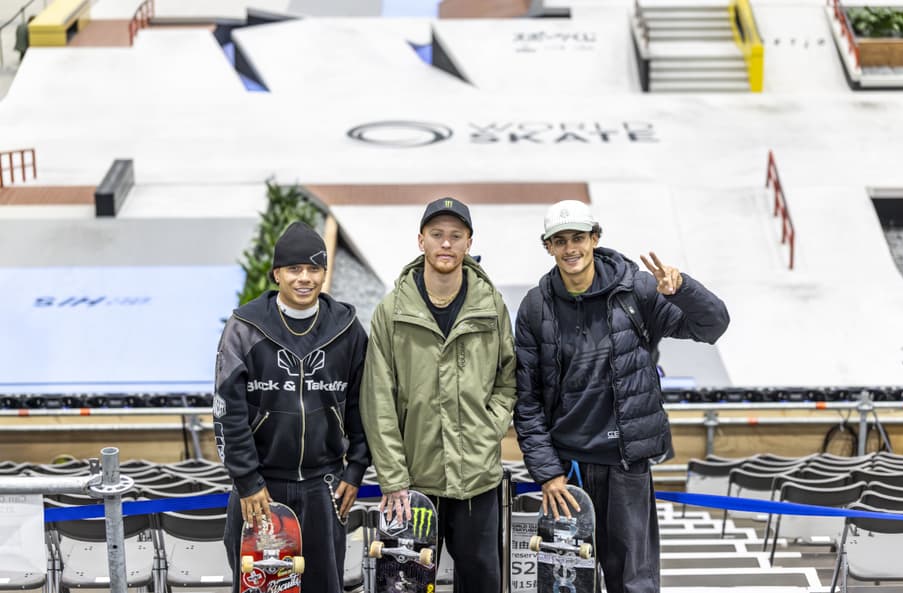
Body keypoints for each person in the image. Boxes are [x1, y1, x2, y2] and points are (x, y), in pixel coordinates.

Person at [514, 200, 730, 593]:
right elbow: (526, 402)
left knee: (634, 584)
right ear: (548, 247)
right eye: (559, 241)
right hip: (568, 475)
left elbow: (712, 326)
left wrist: (683, 291)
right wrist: (547, 473)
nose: (571, 248)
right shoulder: (535, 307)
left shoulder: (638, 290)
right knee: (565, 586)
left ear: (595, 238)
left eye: (579, 238)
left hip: (626, 466)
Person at [360, 197, 517, 593]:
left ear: (468, 243)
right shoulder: (392, 311)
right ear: (421, 241)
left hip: (476, 480)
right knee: (406, 584)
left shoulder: (490, 305)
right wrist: (393, 478)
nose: (446, 244)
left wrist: (488, 427)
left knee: (482, 583)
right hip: (412, 483)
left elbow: (508, 377)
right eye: (437, 235)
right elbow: (378, 398)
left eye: (455, 236)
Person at [214, 221, 370, 593]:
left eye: (314, 269)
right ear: (277, 274)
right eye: (295, 269)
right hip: (260, 491)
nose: (305, 278)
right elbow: (227, 411)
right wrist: (248, 481)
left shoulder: (347, 329)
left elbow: (365, 405)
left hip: (324, 487)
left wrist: (356, 469)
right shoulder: (244, 328)